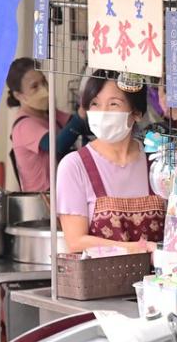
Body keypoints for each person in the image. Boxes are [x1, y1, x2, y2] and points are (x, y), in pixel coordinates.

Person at [57, 71, 166, 253]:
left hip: (159, 280)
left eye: (113, 104)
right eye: (95, 104)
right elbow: (76, 242)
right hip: (101, 279)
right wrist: (139, 248)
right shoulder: (74, 166)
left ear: (136, 113)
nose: (103, 113)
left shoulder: (156, 162)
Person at [5, 57, 89, 192]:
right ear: (18, 95)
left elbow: (80, 125)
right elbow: (57, 145)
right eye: (34, 86)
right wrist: (80, 117)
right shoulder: (24, 126)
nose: (44, 89)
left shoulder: (49, 113)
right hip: (42, 202)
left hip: (61, 192)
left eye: (44, 81)